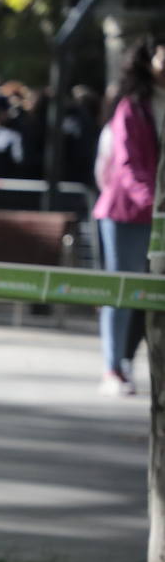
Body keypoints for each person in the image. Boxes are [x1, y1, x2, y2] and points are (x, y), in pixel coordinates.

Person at [94, 35, 165, 396]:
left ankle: (128, 362)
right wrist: (155, 204)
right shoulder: (131, 108)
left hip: (156, 211)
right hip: (127, 213)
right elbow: (127, 166)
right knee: (122, 291)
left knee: (150, 295)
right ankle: (113, 367)